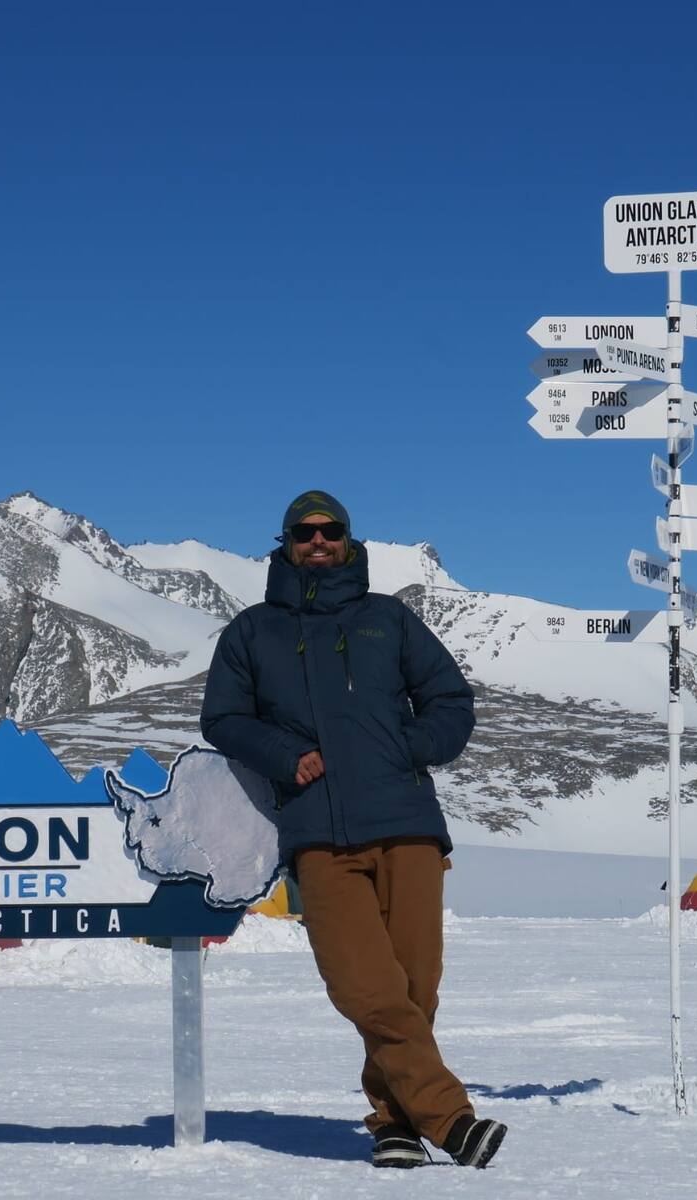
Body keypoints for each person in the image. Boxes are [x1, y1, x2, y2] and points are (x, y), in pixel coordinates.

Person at [201, 489, 507, 1170]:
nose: (317, 541)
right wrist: (283, 757)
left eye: (329, 531)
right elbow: (221, 719)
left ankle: (394, 1123)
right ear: (284, 544)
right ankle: (452, 1121)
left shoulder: (388, 620)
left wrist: (412, 745)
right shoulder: (251, 632)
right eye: (303, 532)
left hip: (407, 825)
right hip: (317, 836)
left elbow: (451, 700)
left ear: (347, 539)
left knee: (414, 987)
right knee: (364, 987)